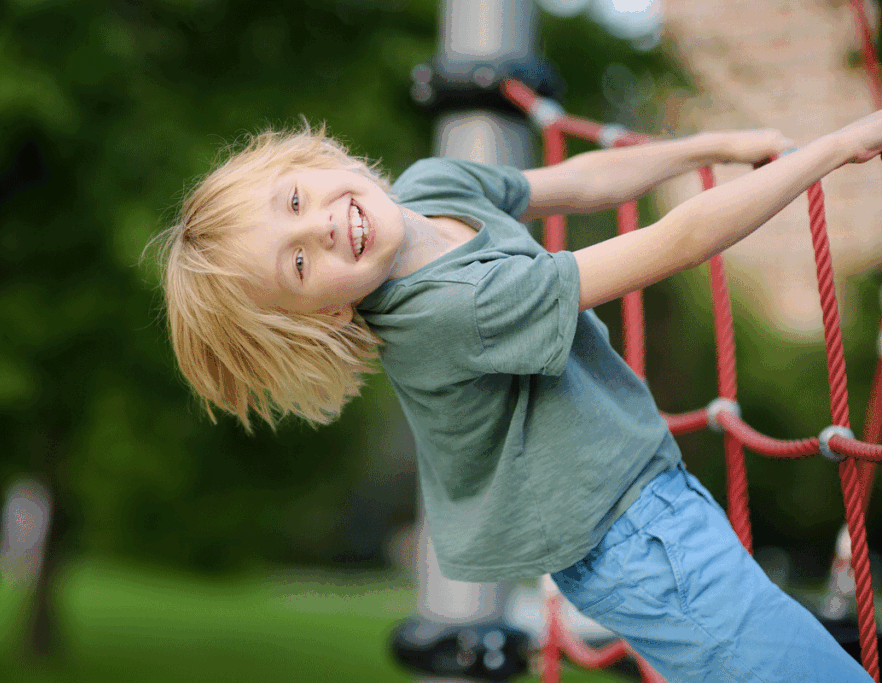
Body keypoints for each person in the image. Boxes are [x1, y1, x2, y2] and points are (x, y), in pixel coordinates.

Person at [150, 110, 882, 681]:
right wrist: (829, 151)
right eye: (300, 262)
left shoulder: (430, 188)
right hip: (633, 542)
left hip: (648, 495)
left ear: (313, 160)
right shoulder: (447, 311)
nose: (323, 225)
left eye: (297, 199)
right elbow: (677, 241)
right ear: (328, 313)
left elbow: (584, 181)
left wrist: (714, 144)